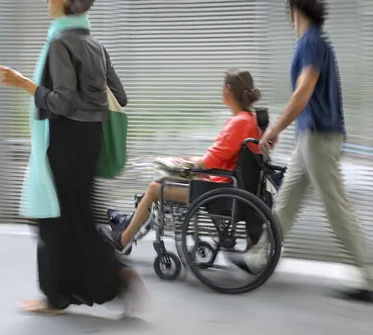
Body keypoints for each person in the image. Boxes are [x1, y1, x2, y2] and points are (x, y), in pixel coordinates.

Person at [0, 0, 146, 316]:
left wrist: (23, 83)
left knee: (53, 222)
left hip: (65, 141)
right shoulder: (95, 44)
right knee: (78, 219)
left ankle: (61, 295)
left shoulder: (60, 43)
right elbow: (121, 96)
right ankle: (113, 278)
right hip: (90, 141)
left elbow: (62, 102)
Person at [258, 0, 373, 303]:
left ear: (294, 10)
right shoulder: (316, 43)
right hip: (311, 136)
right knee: (287, 202)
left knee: (336, 208)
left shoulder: (311, 43)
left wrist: (274, 128)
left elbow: (304, 91)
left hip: (319, 137)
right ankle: (258, 258)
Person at [101, 69, 263, 253]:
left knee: (155, 188)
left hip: (216, 189)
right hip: (224, 185)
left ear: (228, 89)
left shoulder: (238, 122)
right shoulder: (251, 120)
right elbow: (221, 157)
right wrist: (187, 160)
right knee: (165, 179)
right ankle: (126, 223)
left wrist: (184, 162)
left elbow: (208, 163)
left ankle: (123, 239)